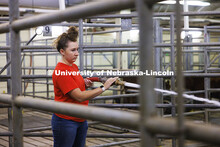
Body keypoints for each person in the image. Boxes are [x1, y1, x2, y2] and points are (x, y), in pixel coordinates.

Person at [51, 26, 117, 147]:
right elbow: (79, 96)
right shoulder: (61, 71)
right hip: (66, 121)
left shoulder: (73, 66)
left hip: (80, 118)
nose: (77, 53)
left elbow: (75, 88)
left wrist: (84, 84)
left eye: (77, 49)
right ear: (62, 51)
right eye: (73, 50)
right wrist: (104, 87)